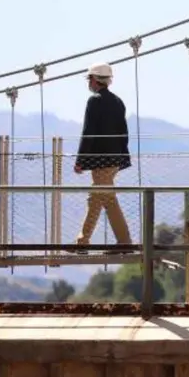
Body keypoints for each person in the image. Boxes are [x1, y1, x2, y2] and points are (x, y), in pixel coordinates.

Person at [73, 62, 134, 253]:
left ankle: (83, 243)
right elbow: (124, 133)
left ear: (94, 80)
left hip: (101, 161)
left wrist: (80, 160)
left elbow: (88, 132)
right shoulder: (118, 101)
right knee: (104, 198)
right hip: (114, 159)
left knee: (98, 198)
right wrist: (121, 157)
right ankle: (123, 243)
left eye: (89, 79)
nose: (88, 83)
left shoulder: (95, 101)